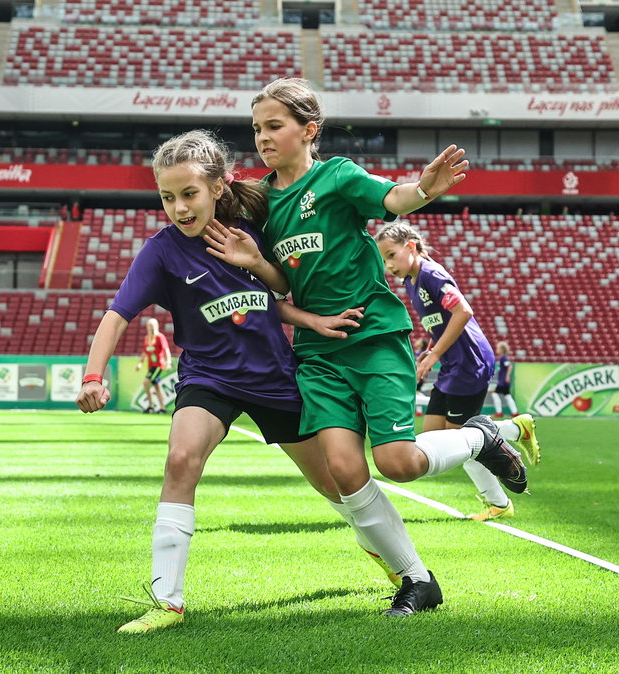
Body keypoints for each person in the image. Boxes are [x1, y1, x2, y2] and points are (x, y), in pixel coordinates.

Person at [213, 77, 540, 616]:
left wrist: (426, 188)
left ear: (308, 130)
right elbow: (277, 286)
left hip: (374, 339)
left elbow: (394, 199)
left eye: (274, 126)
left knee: (398, 463)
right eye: (256, 128)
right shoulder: (261, 203)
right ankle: (417, 582)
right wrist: (262, 271)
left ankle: (480, 438)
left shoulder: (336, 177)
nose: (263, 137)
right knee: (344, 471)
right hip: (319, 355)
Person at [77, 129, 399, 634]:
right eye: (167, 197)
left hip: (276, 378)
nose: (179, 208)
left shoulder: (253, 226)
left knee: (336, 483)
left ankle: (391, 557)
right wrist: (93, 375)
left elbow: (286, 287)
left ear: (218, 188)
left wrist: (284, 290)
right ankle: (167, 601)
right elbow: (117, 315)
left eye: (189, 194)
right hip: (209, 378)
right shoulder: (161, 253)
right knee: (181, 460)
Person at [376, 223, 538, 522]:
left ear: (411, 246)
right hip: (453, 364)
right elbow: (443, 321)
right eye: (383, 260)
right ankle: (515, 430)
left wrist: (435, 352)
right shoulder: (411, 281)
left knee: (462, 441)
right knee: (433, 438)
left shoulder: (432, 275)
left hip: (469, 362)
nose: (388, 266)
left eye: (391, 255)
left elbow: (463, 311)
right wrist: (433, 350)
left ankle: (500, 498)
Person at [141, 317, 172, 413]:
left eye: (153, 325)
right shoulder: (147, 338)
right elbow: (145, 352)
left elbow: (166, 350)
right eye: (150, 325)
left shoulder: (160, 337)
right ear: (147, 327)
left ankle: (150, 406)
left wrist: (168, 362)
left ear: (157, 326)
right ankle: (162, 408)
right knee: (157, 386)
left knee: (146, 382)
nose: (152, 327)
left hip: (158, 365)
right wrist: (140, 363)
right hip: (150, 366)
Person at [491, 341, 518, 419]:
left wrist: (507, 376)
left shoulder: (503, 357)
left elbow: (510, 366)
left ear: (501, 349)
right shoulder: (503, 357)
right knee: (507, 396)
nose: (497, 349)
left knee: (495, 394)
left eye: (498, 348)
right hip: (503, 381)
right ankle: (514, 412)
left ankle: (499, 412)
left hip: (502, 382)